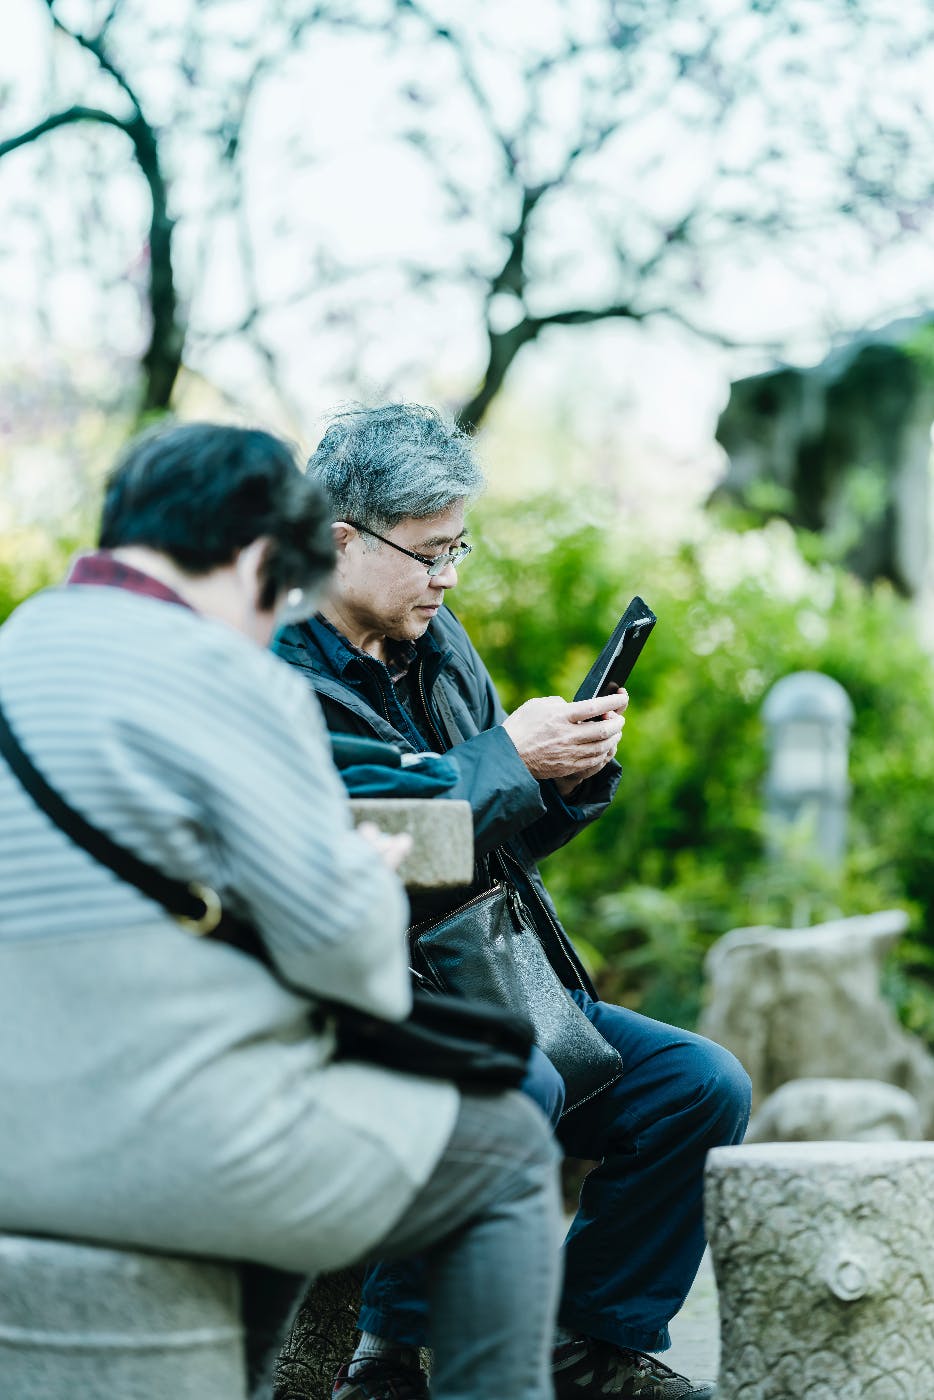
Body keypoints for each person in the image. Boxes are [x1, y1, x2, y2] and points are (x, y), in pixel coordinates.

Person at [0, 421, 564, 1400]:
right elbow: (349, 958)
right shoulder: (237, 677)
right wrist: (360, 869)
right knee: (507, 1148)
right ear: (263, 557)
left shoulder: (17, 649)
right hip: (161, 1148)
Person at [275, 403, 753, 1400]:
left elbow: (491, 837)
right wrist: (507, 758)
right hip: (355, 992)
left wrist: (563, 778)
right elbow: (376, 842)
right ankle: (388, 1357)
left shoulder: (438, 643)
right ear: (339, 538)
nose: (448, 577)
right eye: (430, 551)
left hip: (494, 967)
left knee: (698, 1084)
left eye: (459, 548)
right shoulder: (273, 669)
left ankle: (584, 1343)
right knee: (511, 1077)